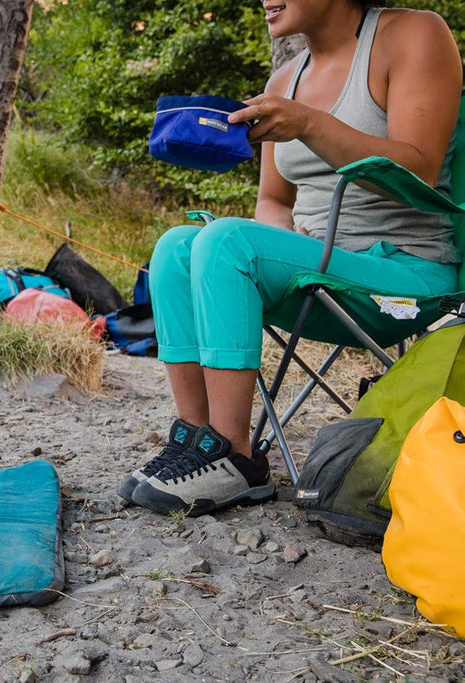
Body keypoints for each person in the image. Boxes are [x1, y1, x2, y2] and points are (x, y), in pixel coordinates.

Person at [119, 0, 463, 516]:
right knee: (178, 247)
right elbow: (274, 202)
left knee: (227, 239)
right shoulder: (285, 81)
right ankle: (196, 441)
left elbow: (419, 169)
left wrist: (309, 124)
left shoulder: (413, 34)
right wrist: (276, 254)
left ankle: (235, 455)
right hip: (322, 273)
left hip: (403, 275)